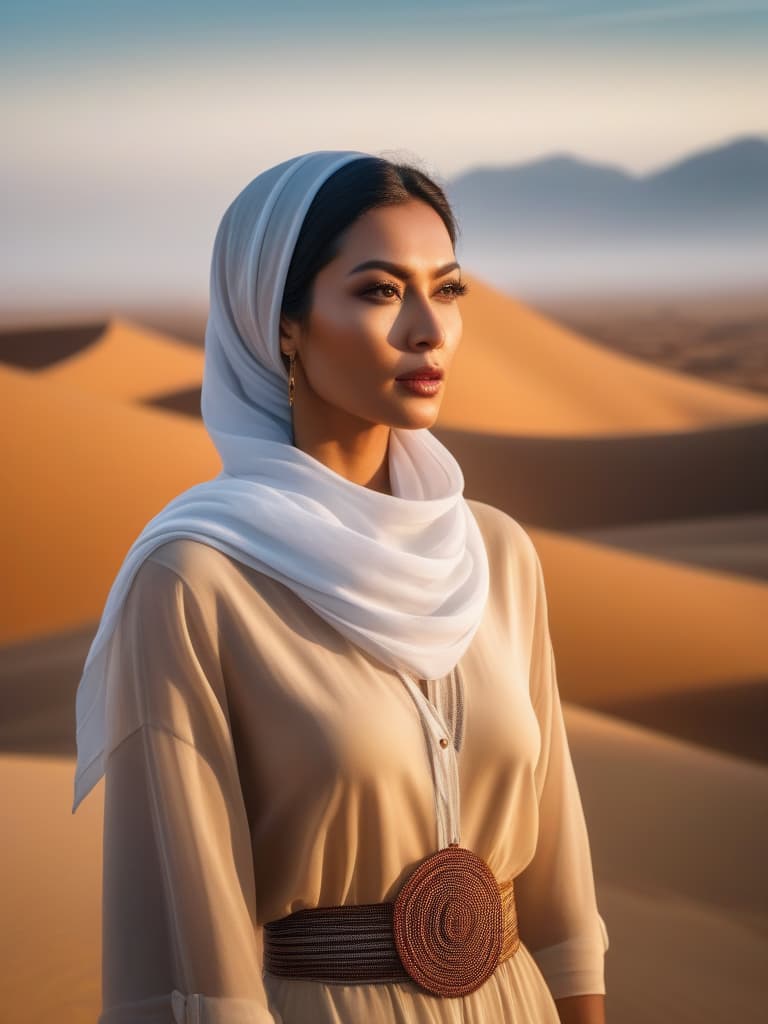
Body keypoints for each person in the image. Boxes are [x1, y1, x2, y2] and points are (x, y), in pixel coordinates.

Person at [73, 150, 609, 1024]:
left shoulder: (497, 555)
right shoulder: (195, 582)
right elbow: (187, 945)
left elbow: (561, 893)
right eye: (380, 291)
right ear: (281, 322)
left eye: (448, 289)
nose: (429, 330)